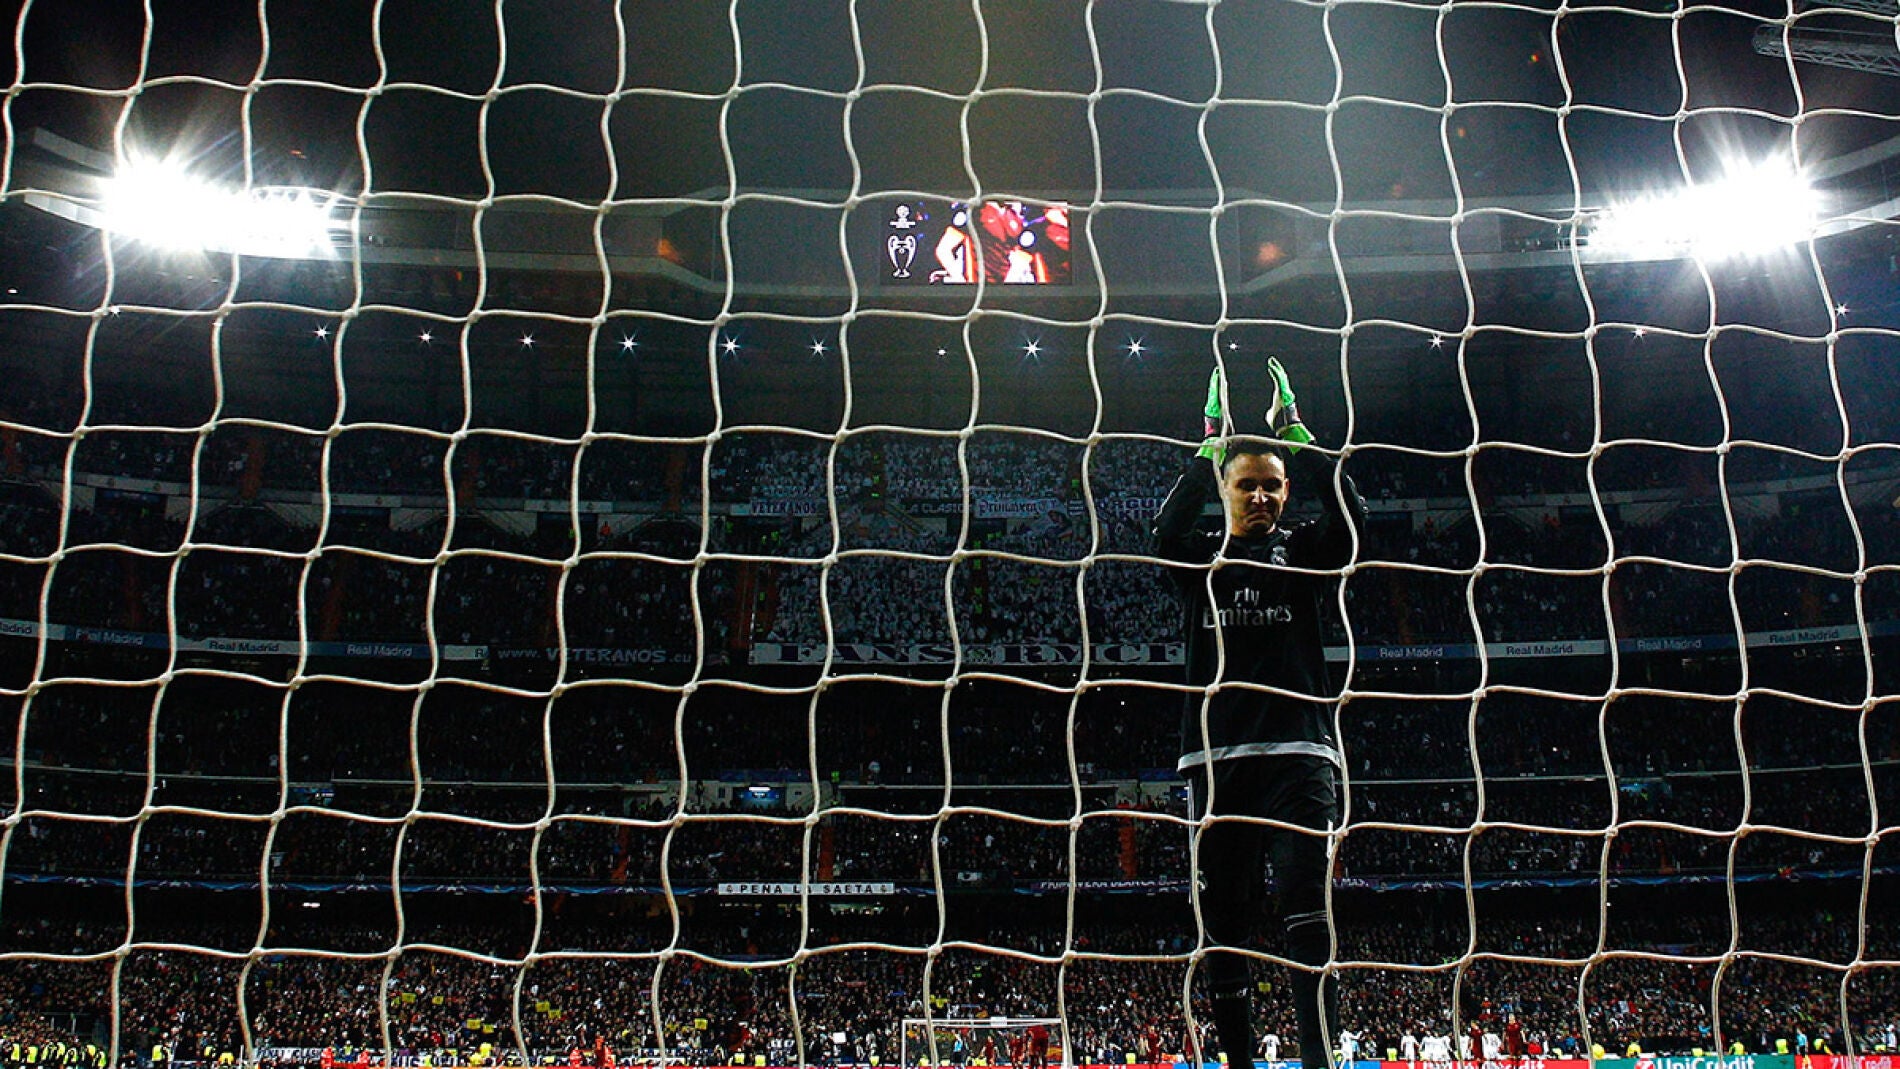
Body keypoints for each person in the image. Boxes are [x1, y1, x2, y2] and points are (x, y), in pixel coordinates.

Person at [1153, 360, 1364, 1069]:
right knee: (1226, 921)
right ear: (1226, 490)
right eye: (1247, 483)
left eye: (1274, 483)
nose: (1263, 495)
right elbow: (1162, 533)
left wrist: (1301, 439)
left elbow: (1354, 522)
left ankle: (1317, 1061)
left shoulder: (1304, 552)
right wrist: (1206, 446)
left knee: (1307, 908)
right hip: (1215, 765)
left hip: (1300, 755)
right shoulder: (1199, 561)